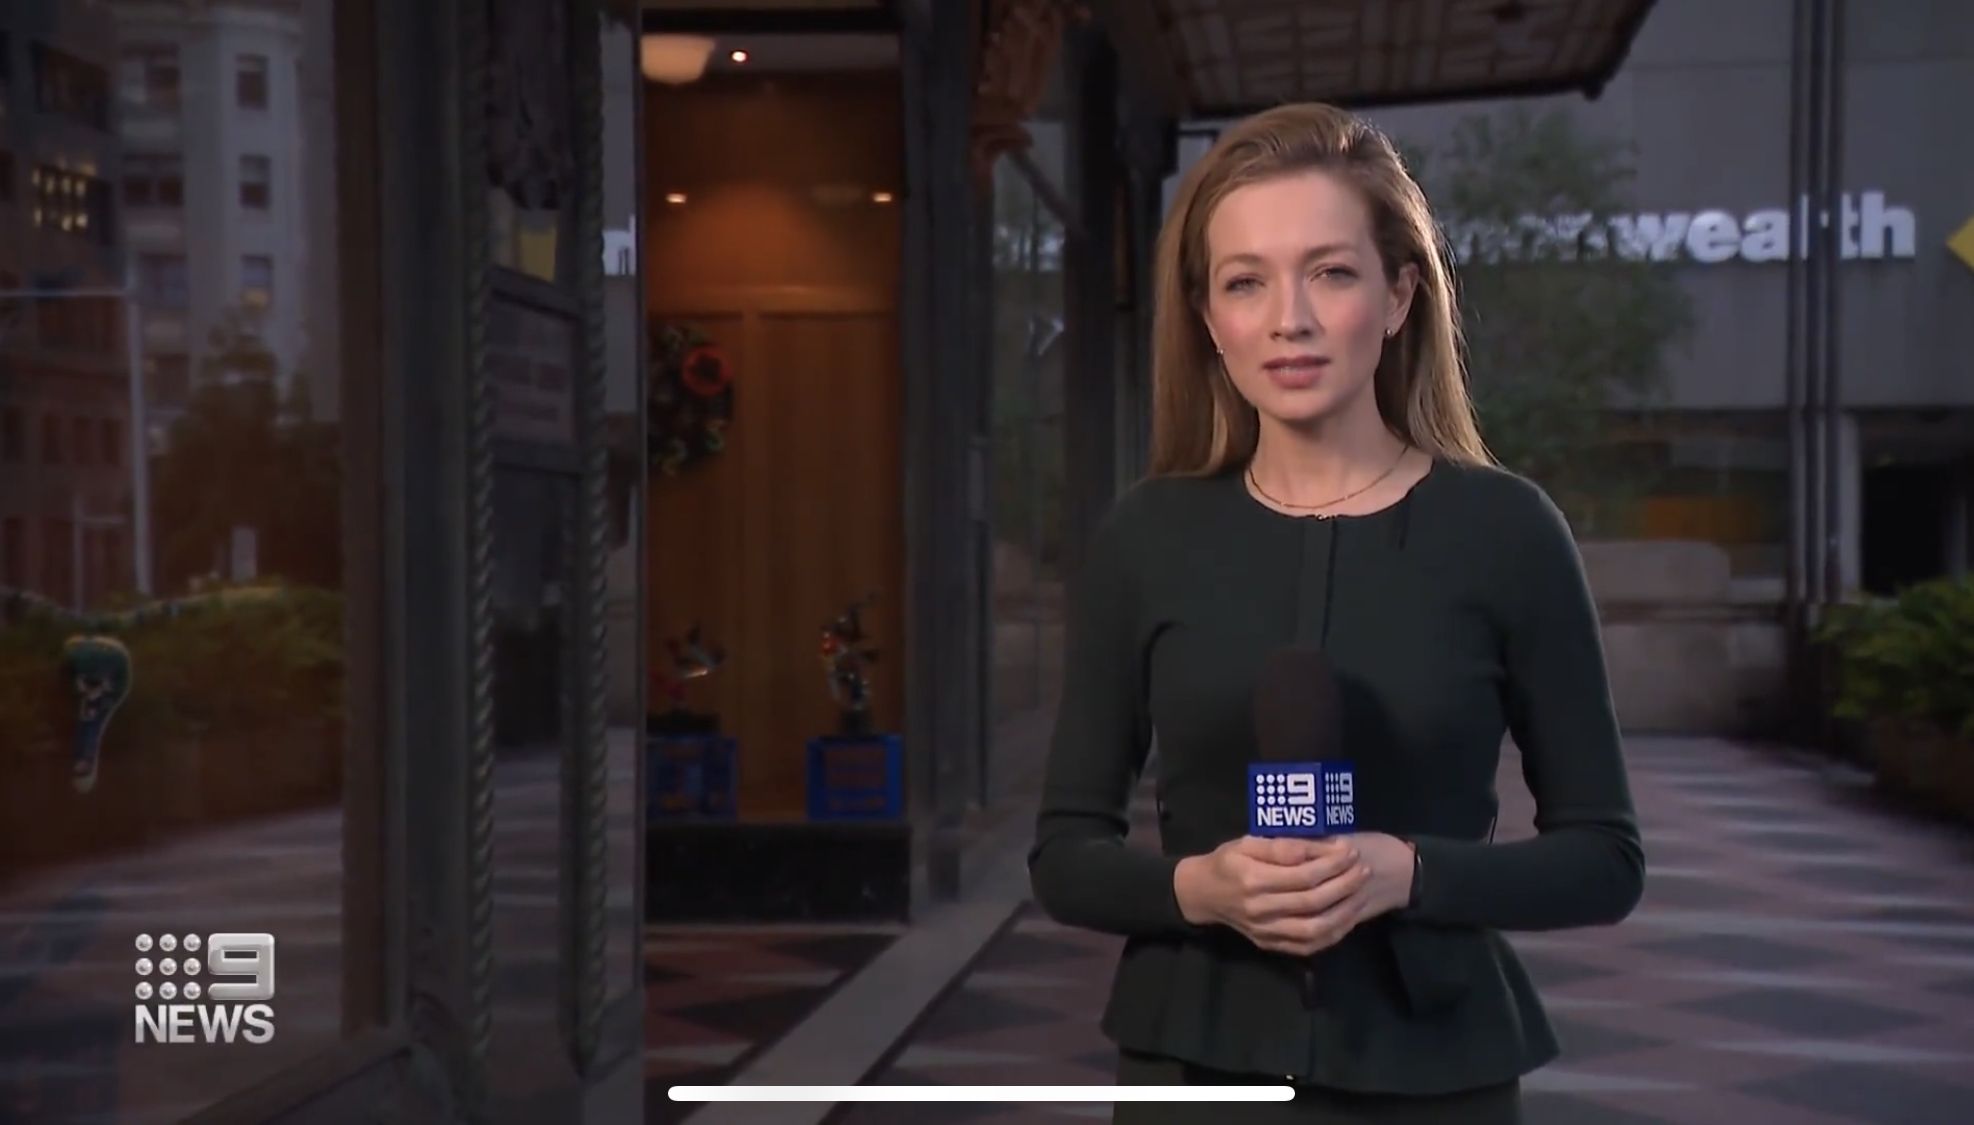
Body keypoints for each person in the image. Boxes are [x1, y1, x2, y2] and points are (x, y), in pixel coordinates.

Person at [1026, 102, 1645, 1124]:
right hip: (1196, 1064)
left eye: (1330, 272)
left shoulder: (1508, 531)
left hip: (1435, 1071)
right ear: (1208, 318)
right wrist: (1200, 890)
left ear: (1399, 295)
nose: (1290, 319)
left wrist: (1411, 874)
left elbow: (1605, 861)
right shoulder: (1148, 537)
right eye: (1246, 282)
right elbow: (1064, 856)